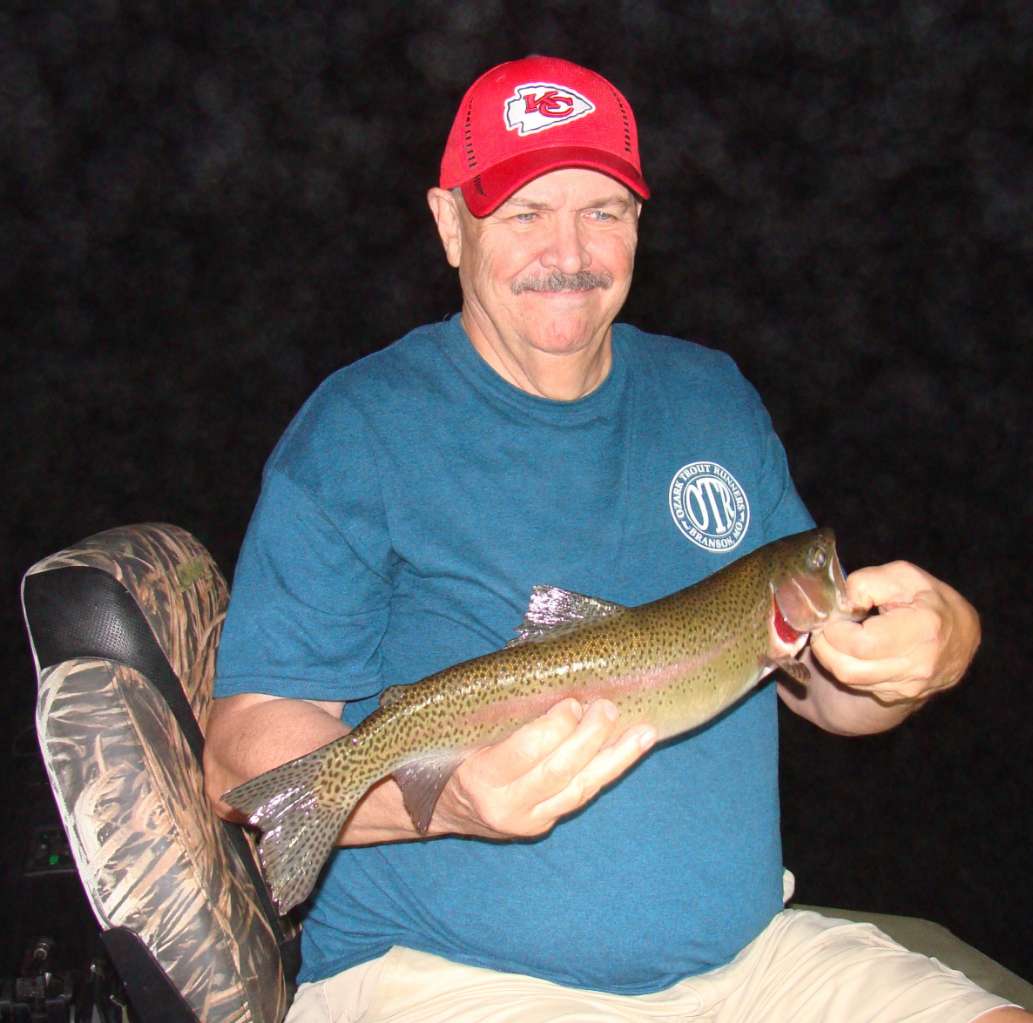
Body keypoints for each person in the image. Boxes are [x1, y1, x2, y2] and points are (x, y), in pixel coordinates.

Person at [204, 56, 1028, 1022]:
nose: (571, 250)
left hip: (751, 963)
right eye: (523, 212)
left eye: (603, 209)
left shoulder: (711, 394)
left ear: (640, 221)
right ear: (448, 224)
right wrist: (455, 800)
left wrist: (934, 651)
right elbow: (239, 761)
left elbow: (825, 696)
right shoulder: (358, 427)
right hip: (448, 975)